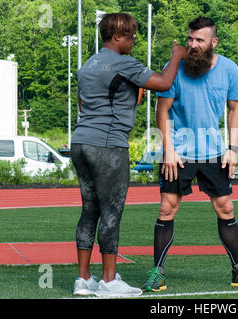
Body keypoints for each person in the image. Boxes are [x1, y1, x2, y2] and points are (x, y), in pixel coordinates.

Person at [141, 16, 238, 292]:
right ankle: (157, 272)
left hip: (214, 153)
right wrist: (168, 151)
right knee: (167, 208)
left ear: (213, 42)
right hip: (178, 154)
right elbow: (162, 110)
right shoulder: (175, 68)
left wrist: (232, 149)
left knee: (226, 208)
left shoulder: (229, 69)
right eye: (190, 39)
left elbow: (235, 109)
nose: (193, 45)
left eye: (199, 40)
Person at [71, 12, 186, 297]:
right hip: (108, 145)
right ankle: (109, 281)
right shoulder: (123, 63)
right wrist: (177, 57)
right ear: (117, 36)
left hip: (81, 141)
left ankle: (83, 280)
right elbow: (163, 83)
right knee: (111, 210)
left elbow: (84, 102)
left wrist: (127, 99)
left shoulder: (88, 65)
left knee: (89, 210)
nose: (134, 40)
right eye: (131, 36)